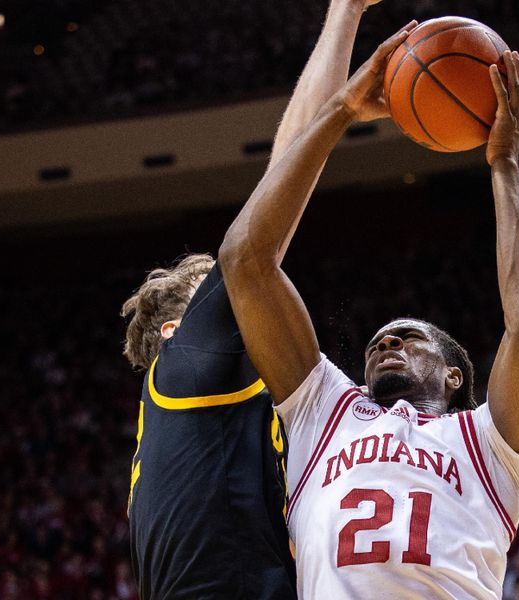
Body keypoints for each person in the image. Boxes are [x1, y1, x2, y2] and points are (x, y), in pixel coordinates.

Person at [219, 29, 519, 598]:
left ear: (455, 376)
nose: (384, 344)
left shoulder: (489, 442)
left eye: (407, 337)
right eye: (377, 342)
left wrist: (503, 165)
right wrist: (340, 109)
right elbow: (245, 262)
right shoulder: (323, 411)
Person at [120, 1, 385, 597]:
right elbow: (272, 196)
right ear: (173, 332)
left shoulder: (197, 419)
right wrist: (345, 19)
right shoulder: (187, 364)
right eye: (222, 295)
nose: (247, 300)